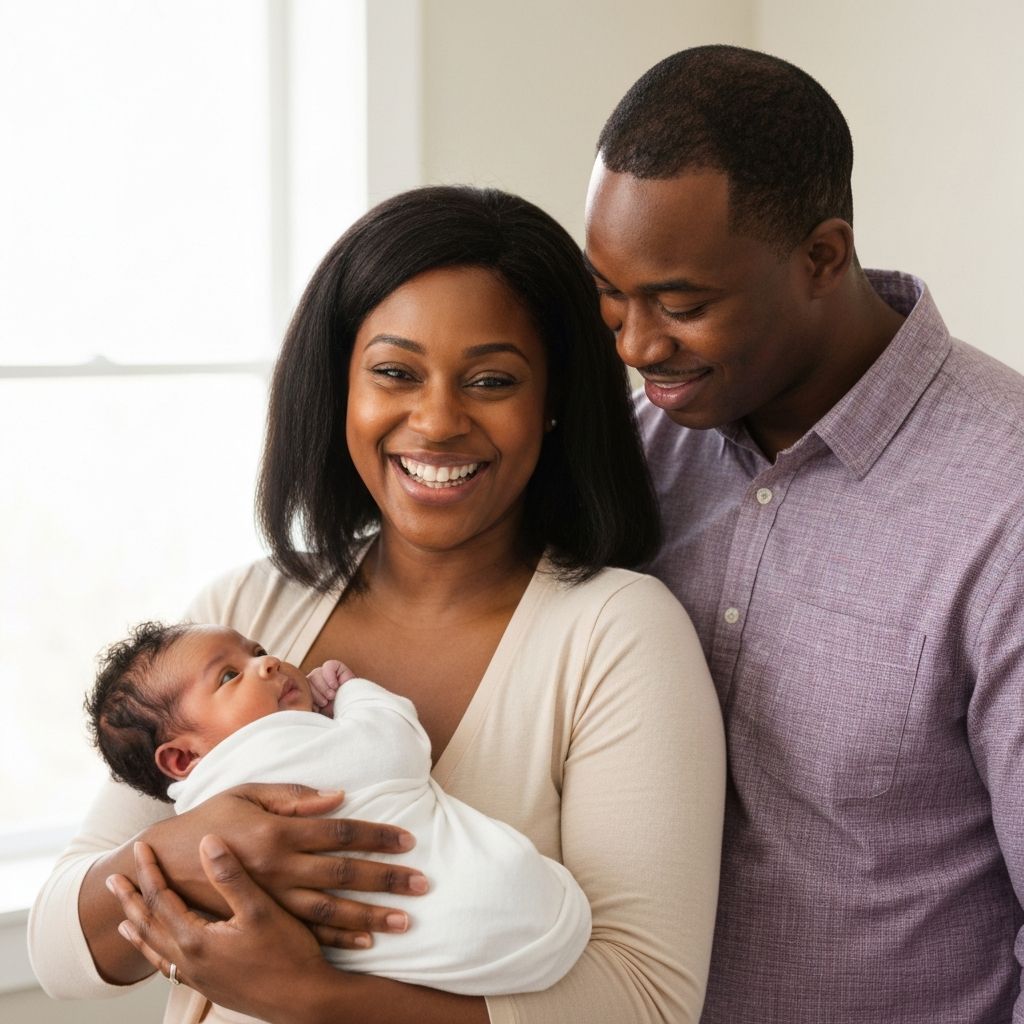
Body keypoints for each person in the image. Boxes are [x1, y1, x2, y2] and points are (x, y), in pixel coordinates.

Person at [29, 185, 726, 1024]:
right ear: (340, 388)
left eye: (491, 380)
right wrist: (192, 845)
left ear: (553, 404)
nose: (436, 421)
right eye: (395, 372)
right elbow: (60, 950)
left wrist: (317, 997)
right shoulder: (247, 611)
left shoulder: (616, 634)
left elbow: (647, 1003)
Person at [584, 44, 1024, 1024]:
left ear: (822, 257)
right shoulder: (626, 459)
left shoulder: (1007, 503)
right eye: (611, 295)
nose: (634, 344)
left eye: (681, 304)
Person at [84, 620, 591, 995]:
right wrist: (354, 694)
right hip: (508, 921)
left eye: (258, 650)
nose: (268, 662)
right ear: (182, 758)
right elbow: (396, 746)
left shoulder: (193, 814)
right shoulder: (270, 749)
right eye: (228, 677)